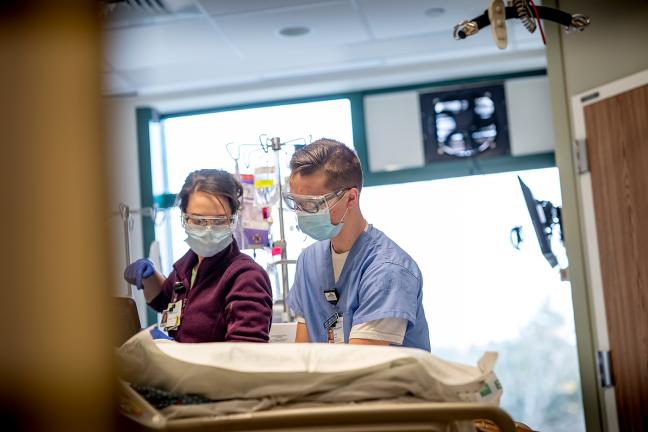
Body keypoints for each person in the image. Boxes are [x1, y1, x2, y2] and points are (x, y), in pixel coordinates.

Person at [284, 138, 430, 350]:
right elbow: (301, 354)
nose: (302, 214)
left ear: (351, 198)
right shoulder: (309, 261)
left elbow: (358, 368)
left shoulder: (389, 271)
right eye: (296, 203)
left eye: (313, 204)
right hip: (325, 381)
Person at [124, 169, 273, 343]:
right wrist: (149, 275)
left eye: (219, 221)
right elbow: (165, 301)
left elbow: (245, 355)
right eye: (198, 221)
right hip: (178, 370)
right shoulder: (188, 267)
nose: (209, 230)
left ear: (233, 219)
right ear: (184, 218)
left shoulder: (246, 277)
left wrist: (174, 351)